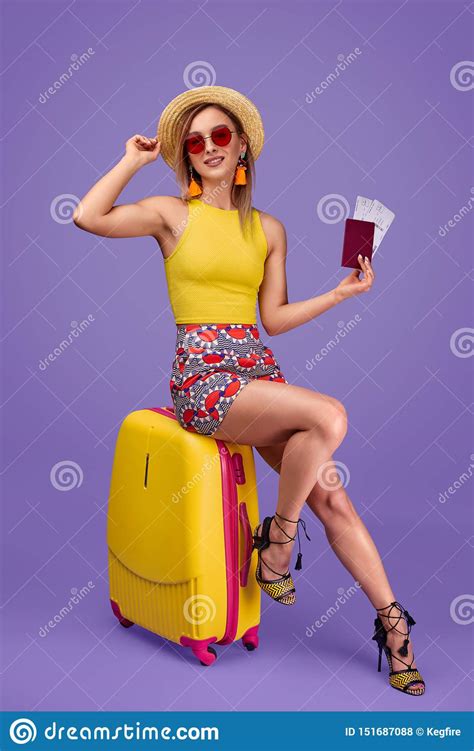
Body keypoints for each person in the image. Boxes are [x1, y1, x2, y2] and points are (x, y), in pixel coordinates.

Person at [73, 85, 425, 696]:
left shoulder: (269, 229)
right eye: (195, 139)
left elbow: (275, 317)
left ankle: (394, 629)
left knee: (334, 500)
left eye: (219, 135)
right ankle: (278, 548)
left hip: (258, 377)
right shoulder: (169, 213)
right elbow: (88, 216)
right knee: (330, 415)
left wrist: (341, 294)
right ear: (186, 153)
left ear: (241, 146)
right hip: (205, 381)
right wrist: (133, 159)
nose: (208, 146)